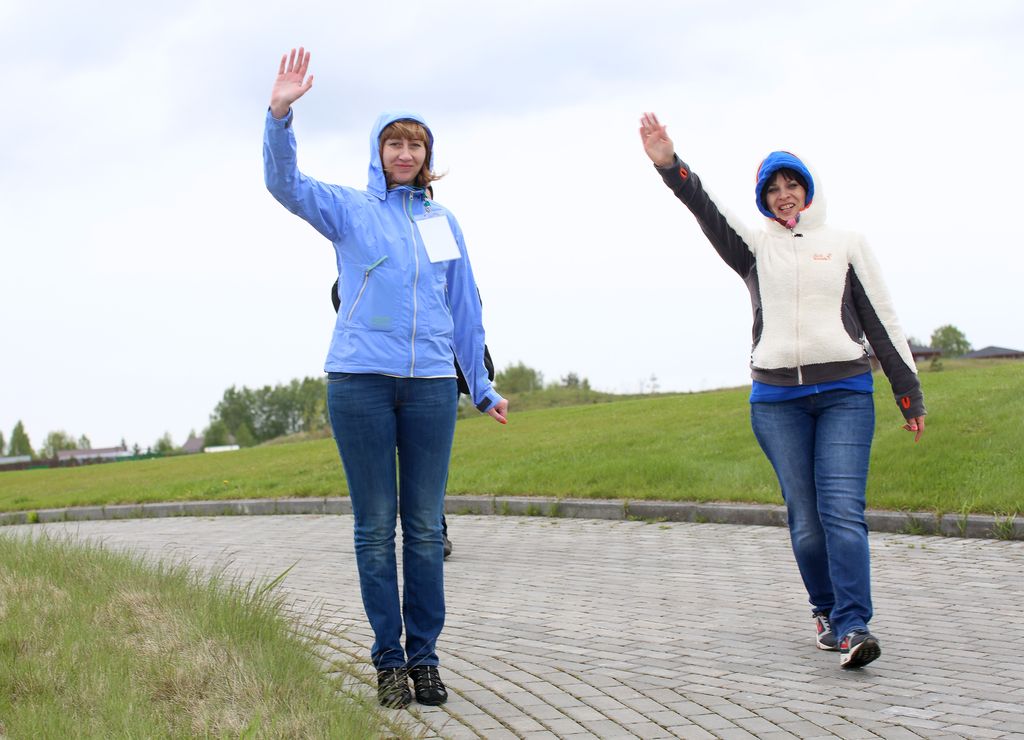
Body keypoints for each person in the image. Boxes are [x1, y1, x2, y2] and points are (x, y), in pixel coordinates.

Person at [264, 47, 508, 708]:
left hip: (430, 387)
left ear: (428, 155)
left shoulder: (441, 221)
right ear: (378, 152)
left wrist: (480, 386)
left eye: (415, 144)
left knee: (424, 529)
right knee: (375, 528)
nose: (405, 153)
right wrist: (280, 116)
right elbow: (286, 186)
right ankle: (388, 660)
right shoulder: (348, 209)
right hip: (360, 385)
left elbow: (464, 307)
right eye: (394, 143)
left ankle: (425, 657)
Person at [639, 112, 925, 669]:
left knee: (842, 511)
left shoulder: (845, 244)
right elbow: (706, 208)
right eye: (773, 189)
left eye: (792, 184)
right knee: (807, 520)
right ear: (764, 199)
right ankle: (826, 612)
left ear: (808, 190)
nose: (784, 194)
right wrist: (671, 166)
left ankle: (854, 625)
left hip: (844, 392)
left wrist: (907, 391)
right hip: (776, 402)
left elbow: (882, 318)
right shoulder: (754, 248)